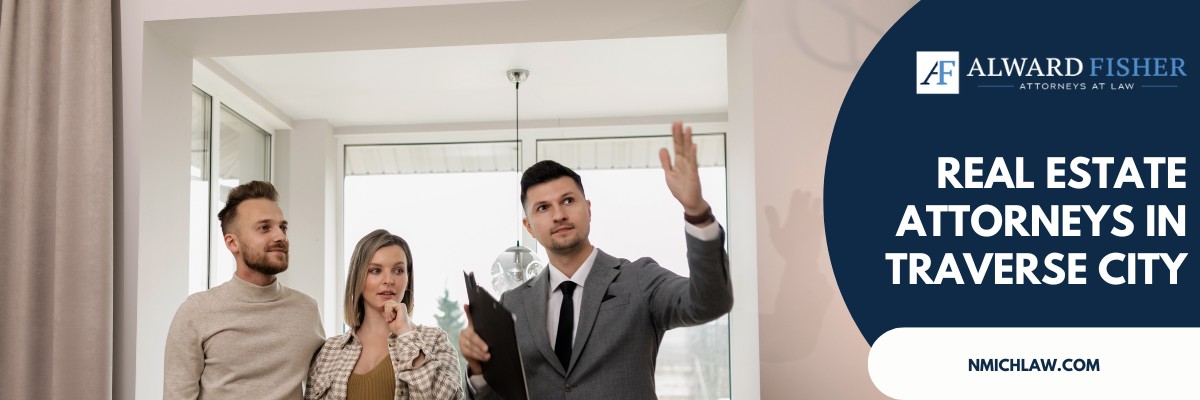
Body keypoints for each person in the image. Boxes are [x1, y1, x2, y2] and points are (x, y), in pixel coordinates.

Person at [458, 121, 734, 399]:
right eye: (543, 207)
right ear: (529, 227)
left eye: (567, 201)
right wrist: (478, 372)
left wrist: (696, 212)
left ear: (588, 209)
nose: (558, 215)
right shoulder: (512, 303)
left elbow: (709, 302)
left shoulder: (639, 278)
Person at [164, 180, 325, 399]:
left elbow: (323, 387)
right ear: (232, 243)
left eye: (283, 227)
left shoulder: (307, 309)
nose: (281, 237)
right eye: (264, 228)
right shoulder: (197, 311)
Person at [306, 229, 463, 400]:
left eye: (398, 270)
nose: (389, 280)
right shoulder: (330, 350)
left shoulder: (435, 341)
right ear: (358, 277)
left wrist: (405, 334)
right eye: (375, 270)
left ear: (408, 278)